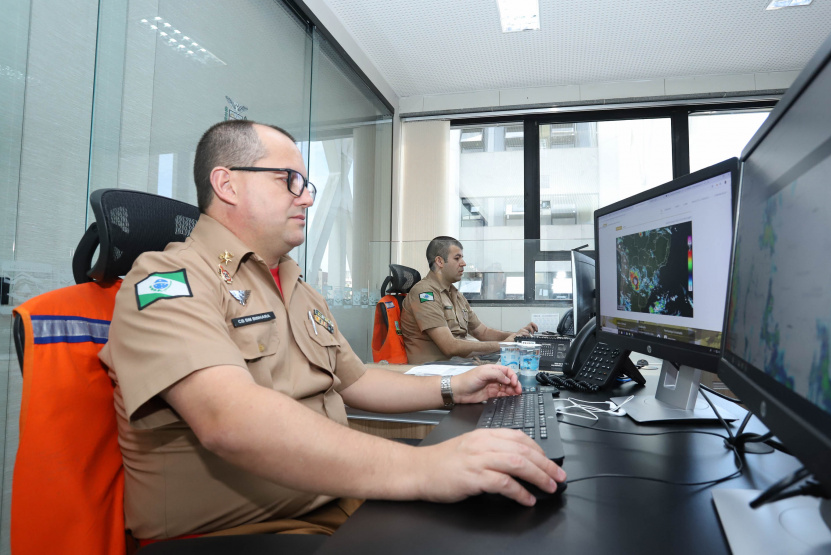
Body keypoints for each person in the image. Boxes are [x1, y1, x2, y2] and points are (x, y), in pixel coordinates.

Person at [98, 120, 565, 541]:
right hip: (246, 533)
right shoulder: (169, 279)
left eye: (307, 184)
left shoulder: (295, 287)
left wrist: (454, 386)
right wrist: (421, 468)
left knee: (505, 525)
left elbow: (356, 379)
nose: (306, 197)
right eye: (290, 181)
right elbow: (228, 420)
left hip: (336, 499)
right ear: (227, 184)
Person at [400, 237, 539, 365]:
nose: (463, 263)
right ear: (439, 261)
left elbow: (482, 332)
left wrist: (516, 337)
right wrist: (504, 345)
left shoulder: (455, 294)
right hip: (434, 370)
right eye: (457, 258)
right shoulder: (424, 294)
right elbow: (450, 347)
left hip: (459, 364)